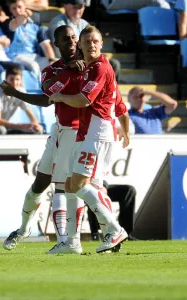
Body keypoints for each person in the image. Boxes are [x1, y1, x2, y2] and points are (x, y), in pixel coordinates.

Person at [0, 25, 86, 250]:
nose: (72, 42)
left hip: (78, 133)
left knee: (62, 187)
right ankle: (24, 229)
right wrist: (16, 93)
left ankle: (64, 242)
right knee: (39, 185)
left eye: (74, 38)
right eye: (66, 39)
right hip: (59, 131)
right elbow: (47, 97)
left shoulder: (88, 66)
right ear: (56, 44)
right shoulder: (51, 70)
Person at [49, 25, 130, 254]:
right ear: (81, 47)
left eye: (94, 41)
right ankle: (75, 241)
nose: (91, 45)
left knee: (77, 184)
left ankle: (114, 230)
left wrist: (60, 96)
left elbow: (84, 100)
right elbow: (120, 105)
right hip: (92, 133)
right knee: (76, 185)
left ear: (101, 44)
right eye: (86, 43)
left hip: (96, 133)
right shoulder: (93, 68)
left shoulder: (100, 69)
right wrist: (125, 130)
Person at [48, 0, 121, 82]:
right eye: (75, 6)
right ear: (65, 5)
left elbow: (94, 44)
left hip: (85, 58)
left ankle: (107, 91)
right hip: (68, 61)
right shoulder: (58, 24)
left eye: (80, 6)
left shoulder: (84, 23)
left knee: (113, 64)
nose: (78, 10)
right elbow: (62, 51)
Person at [6, 0, 56, 77]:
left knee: (55, 64)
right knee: (34, 66)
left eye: (19, 7)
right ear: (10, 10)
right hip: (16, 56)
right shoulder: (10, 23)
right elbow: (17, 23)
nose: (17, 10)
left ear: (25, 7)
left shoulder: (35, 25)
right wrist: (25, 14)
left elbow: (46, 46)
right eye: (14, 8)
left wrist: (51, 61)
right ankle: (39, 86)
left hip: (33, 56)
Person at [0, 64, 43, 134]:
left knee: (38, 130)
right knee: (1, 130)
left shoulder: (21, 91)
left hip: (7, 125)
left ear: (21, 80)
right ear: (5, 79)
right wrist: (20, 126)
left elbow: (31, 115)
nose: (15, 83)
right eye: (12, 79)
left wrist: (35, 125)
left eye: (17, 79)